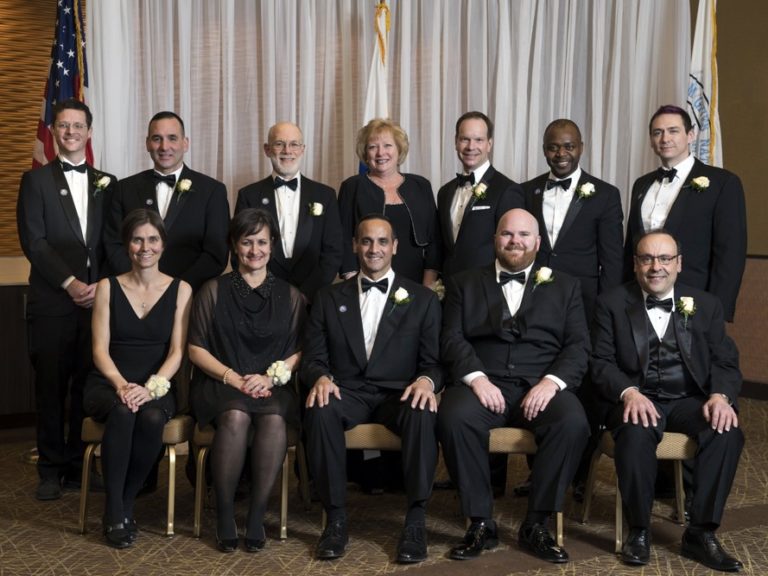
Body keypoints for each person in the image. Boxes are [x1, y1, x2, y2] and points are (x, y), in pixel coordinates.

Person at [438, 208, 590, 564]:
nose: (515, 241)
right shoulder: (464, 282)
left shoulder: (566, 287)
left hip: (542, 383)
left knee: (573, 422)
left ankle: (537, 523)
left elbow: (579, 346)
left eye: (523, 235)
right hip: (484, 381)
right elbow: (451, 338)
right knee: (453, 416)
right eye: (507, 234)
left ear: (538, 242)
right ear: (495, 240)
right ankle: (480, 522)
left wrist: (551, 383)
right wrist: (476, 379)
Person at [591, 230, 744, 571]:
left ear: (678, 264)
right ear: (635, 265)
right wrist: (629, 392)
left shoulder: (706, 304)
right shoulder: (611, 303)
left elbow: (725, 361)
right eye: (647, 258)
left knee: (727, 431)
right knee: (634, 431)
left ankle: (701, 532)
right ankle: (639, 529)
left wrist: (720, 396)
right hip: (636, 398)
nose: (655, 267)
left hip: (689, 400)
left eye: (664, 259)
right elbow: (599, 362)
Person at [301, 215, 442, 563]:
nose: (373, 249)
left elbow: (435, 361)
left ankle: (416, 518)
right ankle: (335, 517)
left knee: (423, 409)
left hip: (400, 392)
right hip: (347, 390)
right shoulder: (328, 297)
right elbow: (313, 358)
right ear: (354, 245)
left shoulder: (423, 299)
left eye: (381, 242)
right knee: (319, 407)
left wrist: (426, 381)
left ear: (394, 246)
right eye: (366, 241)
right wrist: (319, 377)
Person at [188, 208, 306, 553]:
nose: (255, 250)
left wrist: (271, 377)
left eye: (262, 242)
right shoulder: (212, 290)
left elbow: (301, 351)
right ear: (234, 246)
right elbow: (195, 349)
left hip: (272, 386)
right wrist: (233, 378)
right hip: (221, 384)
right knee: (236, 414)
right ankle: (225, 513)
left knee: (272, 418)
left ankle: (256, 514)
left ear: (273, 246)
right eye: (247, 242)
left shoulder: (292, 295)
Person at [17, 98, 117, 501]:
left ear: (89, 132)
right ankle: (50, 468)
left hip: (97, 304)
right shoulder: (36, 181)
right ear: (54, 131)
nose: (71, 132)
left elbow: (112, 243)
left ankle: (78, 465)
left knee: (85, 387)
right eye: (64, 125)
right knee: (51, 387)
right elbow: (34, 242)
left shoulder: (107, 182)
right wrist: (71, 283)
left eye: (79, 126)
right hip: (54, 303)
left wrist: (102, 286)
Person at [83, 209, 192, 548]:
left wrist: (150, 388)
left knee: (150, 417)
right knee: (120, 411)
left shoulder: (182, 289)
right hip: (109, 382)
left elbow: (177, 352)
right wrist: (121, 385)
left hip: (156, 384)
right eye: (137, 239)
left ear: (163, 244)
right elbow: (99, 349)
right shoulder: (107, 286)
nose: (145, 247)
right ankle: (116, 509)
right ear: (127, 244)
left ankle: (122, 502)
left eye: (152, 239)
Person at [623, 105, 747, 322]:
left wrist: (717, 312)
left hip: (693, 304)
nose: (665, 138)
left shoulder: (723, 183)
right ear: (651, 140)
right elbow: (630, 249)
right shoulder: (641, 185)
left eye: (673, 131)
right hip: (639, 302)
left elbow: (730, 255)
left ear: (690, 135)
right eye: (657, 132)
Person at [104, 111, 230, 292]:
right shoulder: (124, 188)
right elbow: (113, 244)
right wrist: (138, 284)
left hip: (189, 295)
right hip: (134, 294)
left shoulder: (212, 191)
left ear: (185, 143)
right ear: (147, 143)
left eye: (172, 138)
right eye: (157, 139)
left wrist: (177, 289)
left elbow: (216, 253)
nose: (164, 146)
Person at [523, 118, 624, 320]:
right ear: (544, 150)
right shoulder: (525, 191)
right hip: (533, 297)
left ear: (581, 148)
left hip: (584, 300)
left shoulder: (606, 195)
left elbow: (612, 260)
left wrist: (605, 307)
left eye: (569, 146)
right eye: (553, 147)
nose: (561, 154)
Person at [235, 121, 342, 301]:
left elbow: (333, 253)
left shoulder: (326, 195)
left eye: (294, 144)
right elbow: (239, 250)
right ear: (267, 149)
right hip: (262, 299)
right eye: (279, 144)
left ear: (302, 149)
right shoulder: (249, 195)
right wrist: (267, 293)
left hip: (313, 300)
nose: (287, 150)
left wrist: (304, 295)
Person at [338, 118, 440, 286]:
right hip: (367, 282)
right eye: (373, 147)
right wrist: (354, 286)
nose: (380, 153)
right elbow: (342, 239)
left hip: (417, 282)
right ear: (365, 153)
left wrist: (427, 287)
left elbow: (435, 240)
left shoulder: (421, 186)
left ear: (399, 150)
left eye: (387, 145)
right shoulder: (352, 187)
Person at [437, 111, 524, 279]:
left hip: (487, 289)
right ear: (456, 142)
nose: (471, 147)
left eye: (479, 140)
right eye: (465, 139)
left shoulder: (507, 190)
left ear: (489, 144)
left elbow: (513, 249)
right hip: (449, 290)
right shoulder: (445, 192)